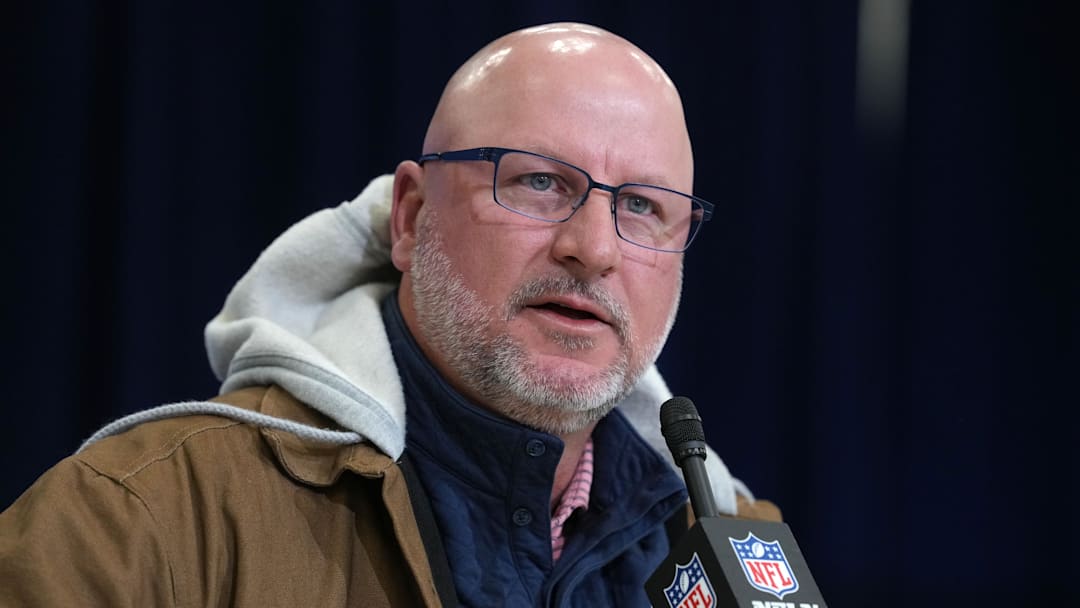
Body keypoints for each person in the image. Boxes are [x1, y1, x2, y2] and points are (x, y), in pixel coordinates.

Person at [0, 22, 779, 606]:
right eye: (540, 182)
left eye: (642, 206)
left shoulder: (735, 546)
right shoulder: (144, 521)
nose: (593, 248)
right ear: (410, 218)